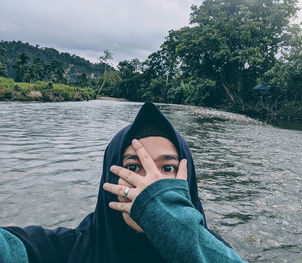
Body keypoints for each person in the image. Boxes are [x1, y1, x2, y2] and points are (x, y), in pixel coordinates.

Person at [1, 102, 247, 263]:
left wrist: (171, 225)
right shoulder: (64, 251)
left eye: (168, 168)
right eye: (132, 167)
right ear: (109, 177)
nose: (149, 185)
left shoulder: (212, 251)